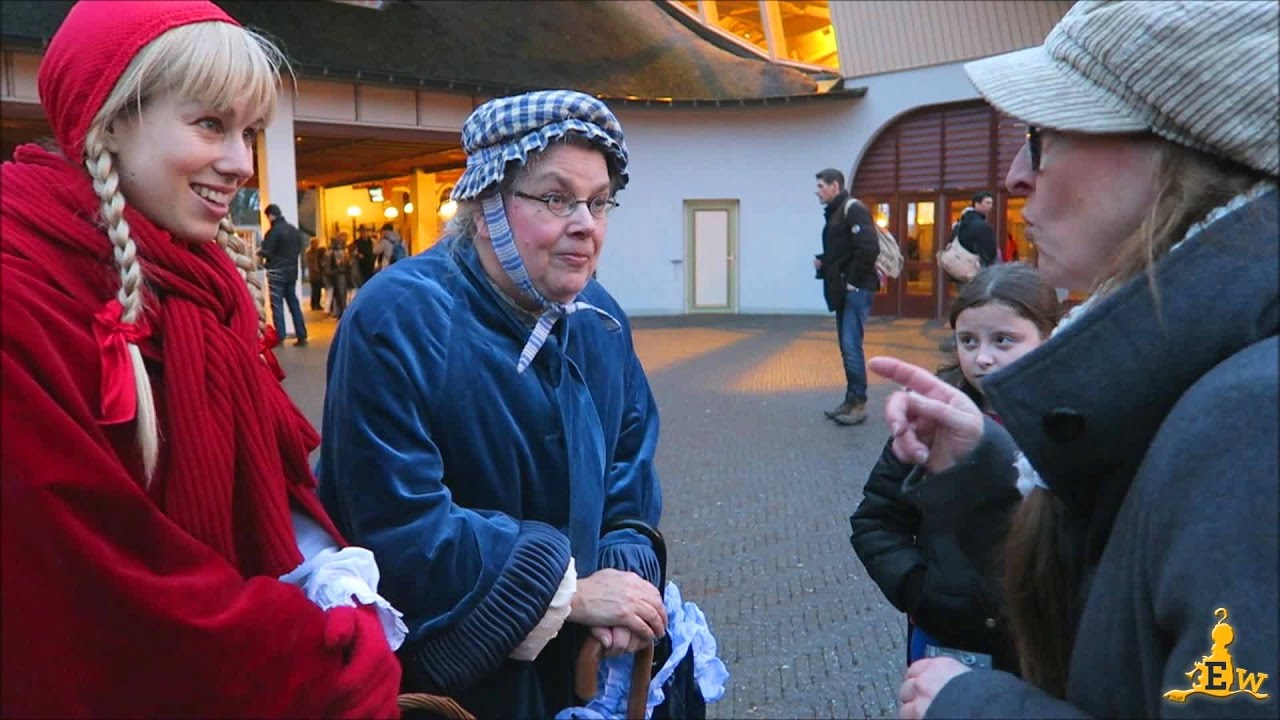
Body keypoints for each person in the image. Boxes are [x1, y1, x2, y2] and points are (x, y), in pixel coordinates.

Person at [872, 2, 1278, 718]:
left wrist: (979, 707)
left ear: (1177, 152)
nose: (1015, 174)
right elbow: (1122, 587)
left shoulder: (1256, 418)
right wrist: (983, 471)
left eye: (1044, 135)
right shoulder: (1208, 369)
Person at [0, 1, 403, 716]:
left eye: (248, 132)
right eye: (210, 124)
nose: (241, 164)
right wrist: (319, 663)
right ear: (112, 120)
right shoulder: (20, 296)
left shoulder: (199, 282)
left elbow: (274, 493)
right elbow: (98, 585)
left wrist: (328, 580)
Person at [317, 90, 668, 718]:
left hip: (582, 666)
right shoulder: (398, 318)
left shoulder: (601, 319)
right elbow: (398, 523)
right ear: (486, 209)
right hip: (463, 685)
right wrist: (569, 592)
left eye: (598, 201)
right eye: (556, 198)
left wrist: (624, 577)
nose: (585, 223)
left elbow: (628, 465)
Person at [850, 263, 1061, 676]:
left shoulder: (1074, 423)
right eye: (968, 340)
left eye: (1004, 340)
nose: (982, 357)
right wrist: (921, 591)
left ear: (1048, 337)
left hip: (1044, 641)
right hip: (947, 638)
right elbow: (876, 520)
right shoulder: (931, 421)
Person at [812, 168, 880, 426]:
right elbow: (844, 251)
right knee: (846, 345)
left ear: (835, 186)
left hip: (856, 289)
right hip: (844, 288)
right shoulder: (837, 213)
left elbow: (868, 248)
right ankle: (851, 400)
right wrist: (824, 261)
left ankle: (859, 403)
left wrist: (851, 280)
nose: (817, 191)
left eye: (821, 186)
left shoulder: (854, 209)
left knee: (852, 346)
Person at [260, 203, 308, 346]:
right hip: (292, 272)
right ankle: (301, 334)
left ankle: (280, 335)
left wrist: (260, 255)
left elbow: (266, 251)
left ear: (270, 215)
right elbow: (299, 249)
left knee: (277, 304)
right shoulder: (294, 230)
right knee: (293, 303)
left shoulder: (273, 231)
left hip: (276, 273)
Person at [950, 192, 998, 269]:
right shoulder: (981, 225)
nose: (991, 206)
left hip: (961, 266)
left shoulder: (961, 223)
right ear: (977, 204)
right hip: (978, 266)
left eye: (991, 203)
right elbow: (990, 251)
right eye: (987, 203)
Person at [324, 232, 352, 318]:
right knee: (341, 294)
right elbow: (328, 268)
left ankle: (341, 311)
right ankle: (342, 312)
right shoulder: (334, 251)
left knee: (342, 294)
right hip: (339, 274)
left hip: (341, 273)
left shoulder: (342, 249)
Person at [305, 235, 326, 310]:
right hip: (314, 274)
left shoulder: (315, 251)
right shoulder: (310, 252)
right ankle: (314, 304)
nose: (317, 245)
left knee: (318, 290)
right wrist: (317, 270)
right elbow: (313, 263)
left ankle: (317, 304)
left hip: (317, 274)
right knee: (315, 290)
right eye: (316, 243)